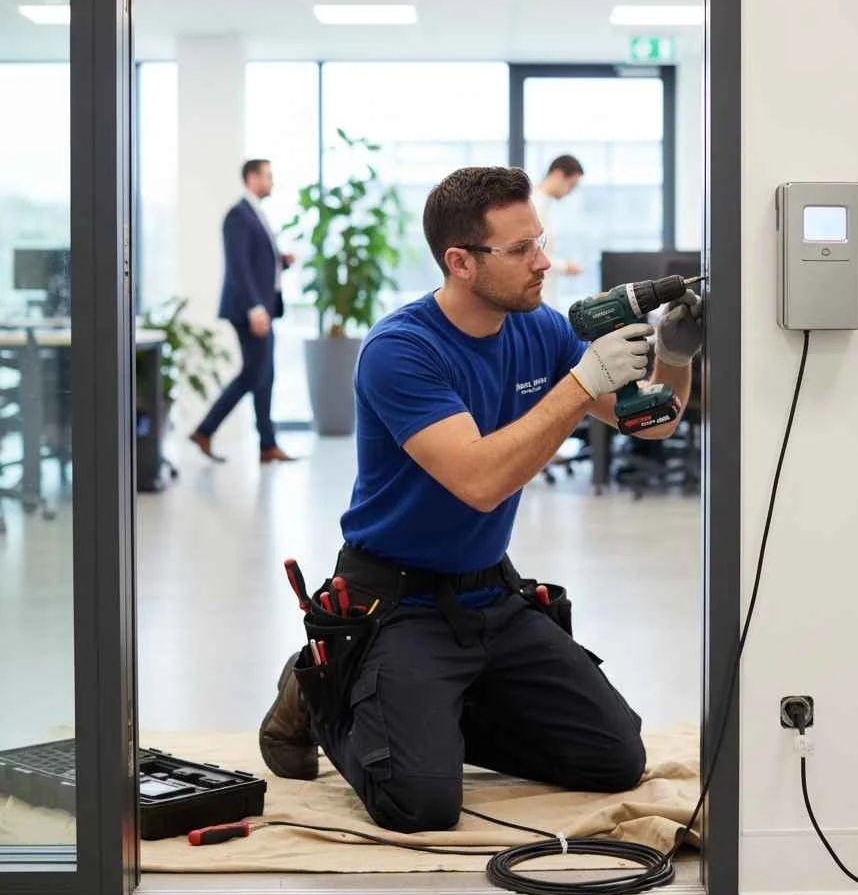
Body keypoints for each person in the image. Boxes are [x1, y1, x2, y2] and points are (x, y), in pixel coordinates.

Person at [258, 166, 703, 834]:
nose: (542, 262)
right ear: (460, 261)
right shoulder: (400, 351)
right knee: (420, 803)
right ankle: (322, 691)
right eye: (520, 249)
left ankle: (426, 712)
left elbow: (653, 422)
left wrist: (675, 353)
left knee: (614, 758)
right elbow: (478, 481)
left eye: (539, 242)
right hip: (397, 601)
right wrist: (580, 383)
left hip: (489, 596)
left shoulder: (541, 330)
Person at [190, 159, 296, 464]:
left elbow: (257, 262)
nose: (272, 181)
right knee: (254, 373)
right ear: (252, 178)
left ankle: (267, 444)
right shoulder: (238, 215)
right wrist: (254, 307)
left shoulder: (255, 213)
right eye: (268, 176)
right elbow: (238, 267)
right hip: (249, 310)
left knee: (265, 375)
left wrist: (281, 261)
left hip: (263, 308)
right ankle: (205, 430)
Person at [531, 154, 584, 311]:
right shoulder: (534, 204)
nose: (570, 191)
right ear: (558, 174)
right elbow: (530, 254)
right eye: (571, 185)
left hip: (545, 295)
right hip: (537, 296)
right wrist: (565, 267)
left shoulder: (543, 203)